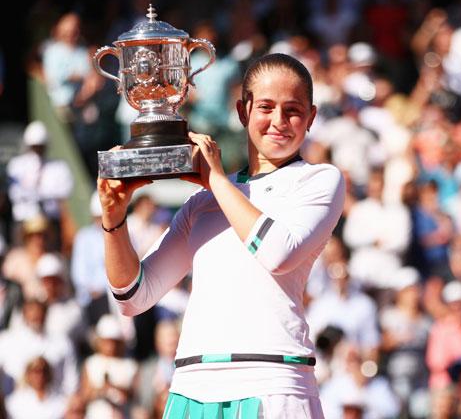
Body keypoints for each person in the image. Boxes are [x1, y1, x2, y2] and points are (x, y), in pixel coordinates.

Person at [97, 53, 345, 418]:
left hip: (273, 384)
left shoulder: (319, 180)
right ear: (243, 112)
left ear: (311, 117)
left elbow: (277, 254)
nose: (279, 121)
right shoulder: (203, 202)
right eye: (265, 107)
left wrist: (214, 178)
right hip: (191, 388)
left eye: (293, 110)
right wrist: (114, 219)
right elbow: (132, 297)